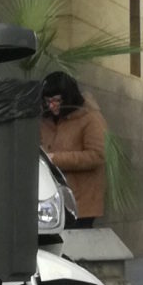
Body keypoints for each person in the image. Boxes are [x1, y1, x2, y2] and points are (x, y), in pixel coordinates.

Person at [38, 71, 106, 227]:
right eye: (48, 101)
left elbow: (97, 155)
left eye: (56, 100)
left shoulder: (90, 119)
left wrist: (55, 159)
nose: (51, 105)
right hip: (53, 199)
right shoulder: (46, 120)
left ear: (68, 98)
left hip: (81, 202)